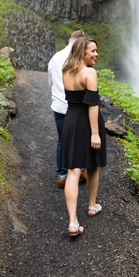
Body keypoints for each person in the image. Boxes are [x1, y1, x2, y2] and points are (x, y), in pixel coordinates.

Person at [60, 38, 106, 236]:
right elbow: (92, 104)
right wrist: (95, 133)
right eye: (92, 51)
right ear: (82, 52)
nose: (96, 54)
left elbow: (72, 100)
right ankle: (92, 205)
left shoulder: (66, 71)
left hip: (70, 121)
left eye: (97, 51)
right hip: (87, 122)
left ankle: (72, 222)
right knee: (93, 163)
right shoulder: (89, 73)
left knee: (73, 170)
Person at [47, 30, 87, 189]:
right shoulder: (80, 59)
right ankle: (80, 170)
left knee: (62, 140)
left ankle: (62, 175)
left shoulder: (55, 58)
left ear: (70, 39)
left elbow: (50, 83)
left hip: (59, 106)